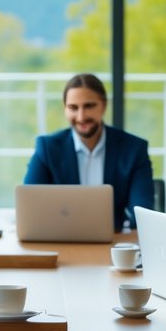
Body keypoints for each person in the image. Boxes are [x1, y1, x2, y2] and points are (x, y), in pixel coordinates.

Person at [23, 73, 154, 231]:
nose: (81, 117)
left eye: (89, 106)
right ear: (65, 108)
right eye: (73, 107)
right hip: (61, 239)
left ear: (104, 105)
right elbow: (29, 210)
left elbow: (143, 215)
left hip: (113, 240)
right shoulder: (47, 148)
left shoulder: (133, 149)